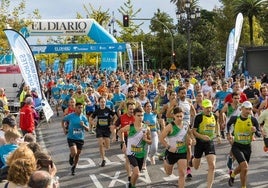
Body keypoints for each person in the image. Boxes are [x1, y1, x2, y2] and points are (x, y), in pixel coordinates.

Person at [226, 101, 261, 188]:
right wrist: (228, 134)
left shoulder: (253, 119)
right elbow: (228, 124)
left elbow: (259, 134)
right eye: (246, 109)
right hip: (237, 146)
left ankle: (233, 174)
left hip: (247, 147)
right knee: (244, 166)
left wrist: (255, 131)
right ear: (241, 109)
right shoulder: (235, 118)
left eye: (250, 109)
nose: (248, 111)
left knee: (243, 168)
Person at [159, 106, 194, 188]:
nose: (179, 118)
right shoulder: (170, 126)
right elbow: (161, 138)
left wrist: (192, 139)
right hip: (171, 152)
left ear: (183, 115)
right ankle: (165, 160)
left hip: (182, 152)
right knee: (169, 173)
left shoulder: (186, 124)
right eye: (177, 116)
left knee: (182, 173)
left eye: (181, 116)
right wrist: (168, 147)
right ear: (174, 116)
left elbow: (189, 132)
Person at [117, 107, 152, 188]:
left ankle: (131, 185)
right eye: (138, 115)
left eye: (142, 115)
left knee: (136, 175)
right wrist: (123, 143)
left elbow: (150, 142)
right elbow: (120, 131)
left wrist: (146, 139)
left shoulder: (146, 128)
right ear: (134, 116)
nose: (140, 117)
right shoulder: (130, 127)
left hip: (141, 154)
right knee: (136, 173)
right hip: (131, 153)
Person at [191, 99, 221, 188]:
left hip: (209, 142)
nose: (209, 110)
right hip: (199, 143)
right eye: (207, 108)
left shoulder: (214, 116)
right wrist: (202, 136)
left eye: (210, 107)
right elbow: (193, 131)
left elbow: (217, 125)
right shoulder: (198, 117)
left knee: (212, 165)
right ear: (202, 108)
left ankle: (209, 186)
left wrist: (218, 135)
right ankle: (192, 160)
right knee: (196, 166)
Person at [62, 102, 89, 175]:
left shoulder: (84, 117)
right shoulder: (70, 116)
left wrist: (83, 125)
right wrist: (64, 129)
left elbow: (88, 129)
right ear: (75, 108)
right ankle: (71, 157)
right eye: (79, 107)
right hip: (71, 137)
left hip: (80, 138)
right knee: (74, 152)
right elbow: (63, 120)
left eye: (81, 107)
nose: (80, 109)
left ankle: (74, 167)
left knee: (77, 155)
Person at [89, 97, 117, 167]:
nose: (102, 103)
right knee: (100, 144)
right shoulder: (97, 110)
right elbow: (90, 118)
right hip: (99, 129)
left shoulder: (108, 109)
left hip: (107, 129)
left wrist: (113, 123)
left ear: (105, 102)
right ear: (99, 103)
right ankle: (103, 159)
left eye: (104, 102)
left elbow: (115, 117)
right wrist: (93, 123)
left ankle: (104, 143)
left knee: (107, 147)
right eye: (101, 102)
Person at [142, 101, 159, 169]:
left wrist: (159, 130)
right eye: (147, 106)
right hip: (146, 133)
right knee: (146, 149)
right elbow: (142, 125)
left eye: (150, 106)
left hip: (154, 133)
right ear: (145, 108)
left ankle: (151, 156)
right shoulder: (143, 115)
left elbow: (157, 123)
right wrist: (146, 124)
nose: (149, 107)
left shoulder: (154, 114)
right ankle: (144, 163)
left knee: (154, 147)